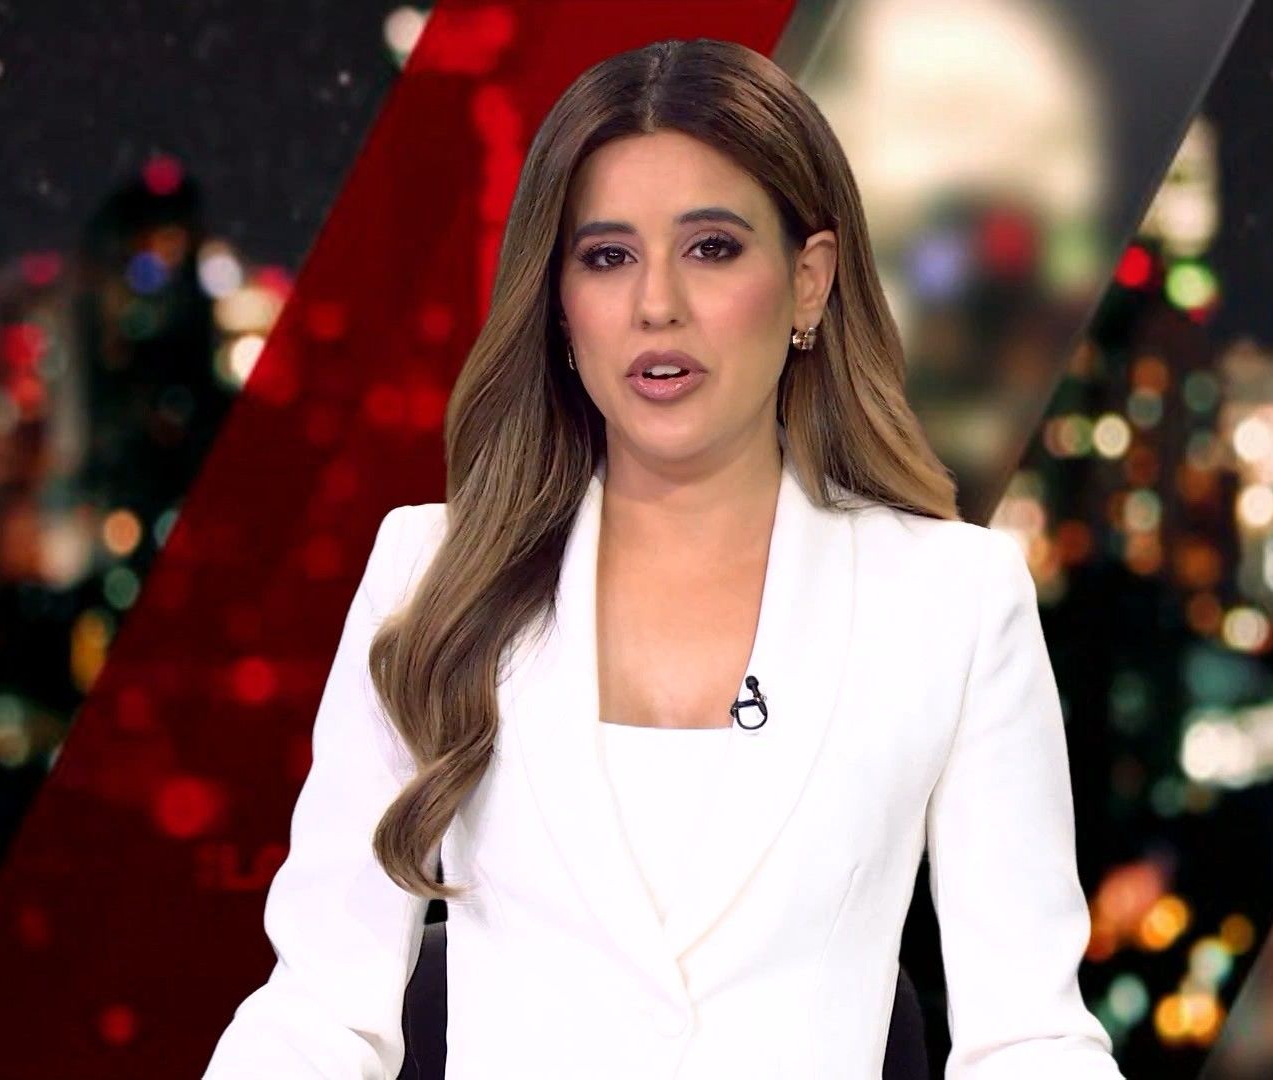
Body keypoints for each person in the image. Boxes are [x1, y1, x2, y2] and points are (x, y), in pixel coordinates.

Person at [204, 37, 1122, 1080]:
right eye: (607, 257)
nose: (656, 304)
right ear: (559, 301)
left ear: (809, 281)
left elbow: (1028, 1039)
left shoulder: (952, 599)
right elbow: (320, 1013)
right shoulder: (432, 575)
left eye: (712, 248)